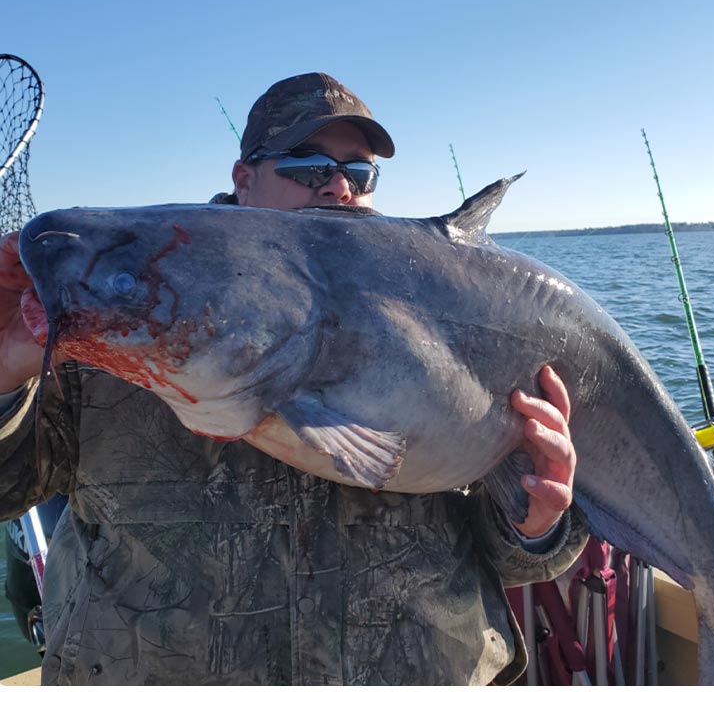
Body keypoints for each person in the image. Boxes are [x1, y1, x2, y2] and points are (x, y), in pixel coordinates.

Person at [0, 72, 588, 685]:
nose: (337, 187)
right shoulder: (116, 312)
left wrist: (539, 525)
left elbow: (511, 560)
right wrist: (3, 377)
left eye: (358, 174)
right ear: (243, 178)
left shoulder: (444, 305)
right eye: (307, 166)